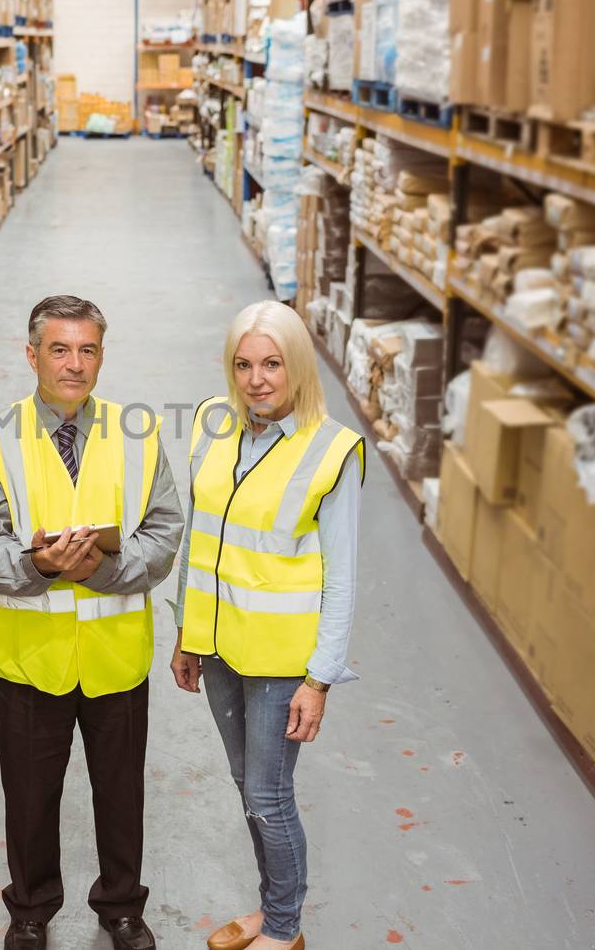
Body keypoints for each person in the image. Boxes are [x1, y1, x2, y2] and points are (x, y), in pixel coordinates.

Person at [0, 295, 184, 950]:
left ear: (102, 356)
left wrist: (101, 571)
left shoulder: (137, 433)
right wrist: (44, 566)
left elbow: (165, 531)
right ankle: (29, 908)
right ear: (31, 355)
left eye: (87, 349)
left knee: (121, 794)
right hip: (31, 656)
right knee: (29, 797)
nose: (74, 363)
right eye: (59, 349)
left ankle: (121, 905)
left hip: (115, 652)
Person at [170, 301, 365, 950]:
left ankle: (284, 928)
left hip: (284, 660)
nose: (256, 379)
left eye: (272, 363)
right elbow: (201, 535)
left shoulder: (331, 451)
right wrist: (186, 633)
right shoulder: (211, 423)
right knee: (247, 786)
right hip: (220, 646)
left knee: (268, 792)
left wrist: (321, 678)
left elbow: (341, 577)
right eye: (244, 364)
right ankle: (270, 905)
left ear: (298, 366)